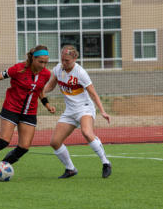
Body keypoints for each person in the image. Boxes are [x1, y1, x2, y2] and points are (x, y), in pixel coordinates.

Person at [0, 45, 55, 175]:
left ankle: (0, 168)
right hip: (11, 108)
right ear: (33, 58)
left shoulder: (46, 74)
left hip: (29, 112)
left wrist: (47, 105)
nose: (43, 65)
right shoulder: (18, 69)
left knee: (24, 147)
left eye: (46, 62)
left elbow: (40, 91)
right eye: (40, 62)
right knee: (4, 141)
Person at [43, 45, 112, 179]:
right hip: (70, 111)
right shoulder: (58, 69)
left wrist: (103, 111)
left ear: (75, 59)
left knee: (86, 132)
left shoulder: (80, 73)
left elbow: (93, 94)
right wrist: (40, 91)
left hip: (84, 108)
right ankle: (70, 169)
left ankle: (106, 162)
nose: (64, 63)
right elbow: (51, 85)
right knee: (55, 142)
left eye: (67, 60)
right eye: (62, 59)